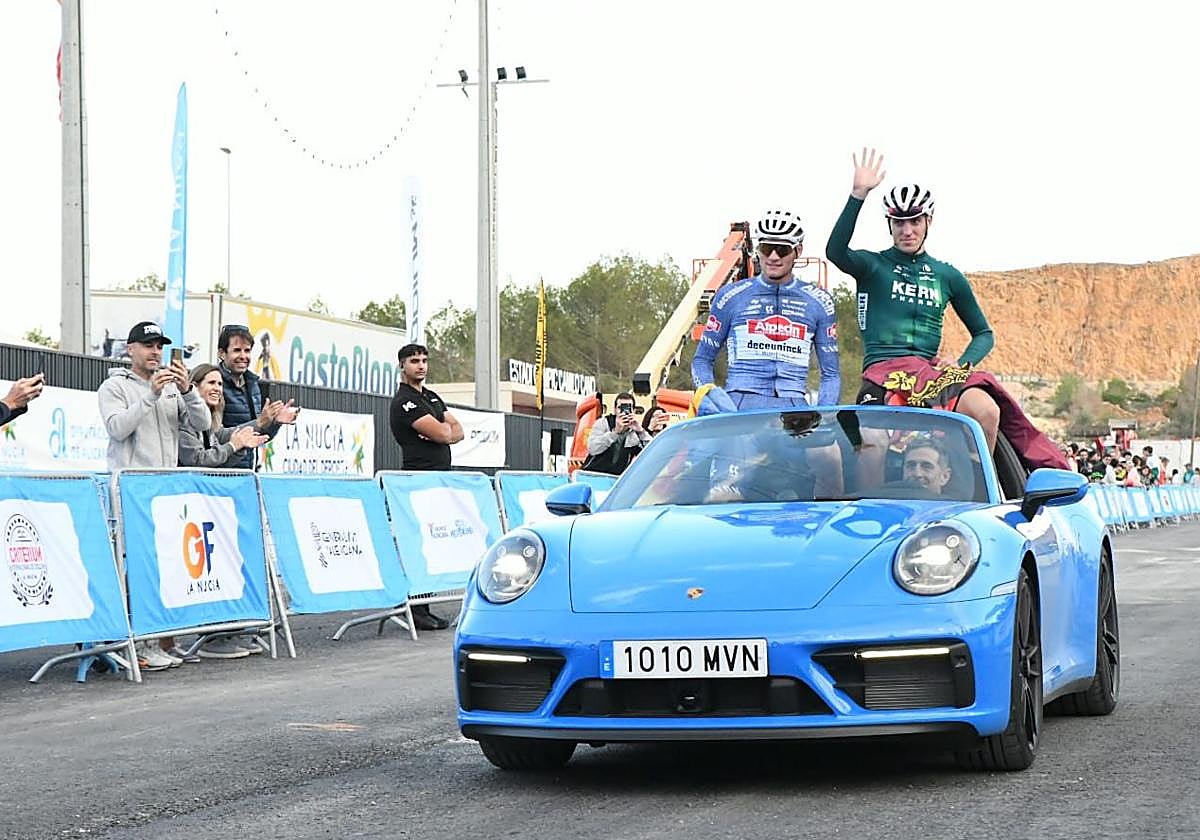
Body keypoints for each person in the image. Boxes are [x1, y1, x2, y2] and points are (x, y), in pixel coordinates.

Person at [825, 148, 1067, 472]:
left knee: (987, 411)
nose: (907, 230)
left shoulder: (947, 275)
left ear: (928, 221)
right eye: (899, 222)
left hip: (930, 375)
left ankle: (973, 492)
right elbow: (835, 251)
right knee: (872, 442)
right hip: (883, 373)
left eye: (914, 221)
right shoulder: (873, 265)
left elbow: (984, 334)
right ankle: (872, 515)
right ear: (889, 224)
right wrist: (857, 195)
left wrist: (964, 363)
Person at [97, 321, 211, 672]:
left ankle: (159, 638)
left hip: (165, 492)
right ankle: (137, 643)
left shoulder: (172, 387)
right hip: (132, 491)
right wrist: (150, 396)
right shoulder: (114, 386)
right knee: (135, 569)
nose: (155, 352)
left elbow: (204, 423)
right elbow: (117, 428)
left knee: (164, 569)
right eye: (148, 345)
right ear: (130, 349)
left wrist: (188, 388)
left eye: (159, 346)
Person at [692, 208, 840, 413]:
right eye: (766, 247)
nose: (772, 256)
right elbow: (702, 360)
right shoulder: (730, 296)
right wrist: (708, 392)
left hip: (793, 404)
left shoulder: (819, 301)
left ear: (798, 251)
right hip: (739, 403)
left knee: (831, 446)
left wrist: (825, 414)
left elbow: (831, 374)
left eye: (782, 249)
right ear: (757, 250)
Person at [177, 363, 270, 660]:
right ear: (194, 386)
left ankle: (227, 630)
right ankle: (210, 636)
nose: (217, 388)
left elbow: (229, 437)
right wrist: (233, 446)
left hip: (208, 509)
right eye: (211, 383)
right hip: (186, 509)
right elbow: (197, 459)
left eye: (219, 383)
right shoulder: (186, 419)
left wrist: (265, 424)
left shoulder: (214, 421)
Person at [389, 343, 463, 630]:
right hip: (419, 480)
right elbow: (444, 432)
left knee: (434, 544)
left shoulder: (431, 396)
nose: (420, 366)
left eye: (423, 360)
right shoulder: (404, 401)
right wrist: (443, 433)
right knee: (419, 544)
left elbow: (457, 430)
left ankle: (424, 604)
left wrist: (445, 434)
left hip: (439, 479)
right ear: (402, 366)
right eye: (413, 361)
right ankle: (417, 608)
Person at [216, 325, 297, 469]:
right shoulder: (214, 384)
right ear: (222, 353)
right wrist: (259, 422)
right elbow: (214, 436)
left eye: (247, 350)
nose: (243, 356)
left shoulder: (253, 385)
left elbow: (259, 435)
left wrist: (275, 423)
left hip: (247, 473)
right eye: (237, 350)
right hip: (220, 474)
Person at [582, 392, 652, 475]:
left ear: (634, 410)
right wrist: (615, 432)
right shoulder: (603, 423)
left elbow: (652, 452)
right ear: (615, 410)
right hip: (593, 474)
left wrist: (641, 431)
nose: (624, 412)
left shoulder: (635, 431)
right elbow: (592, 449)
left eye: (628, 408)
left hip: (616, 478)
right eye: (621, 408)